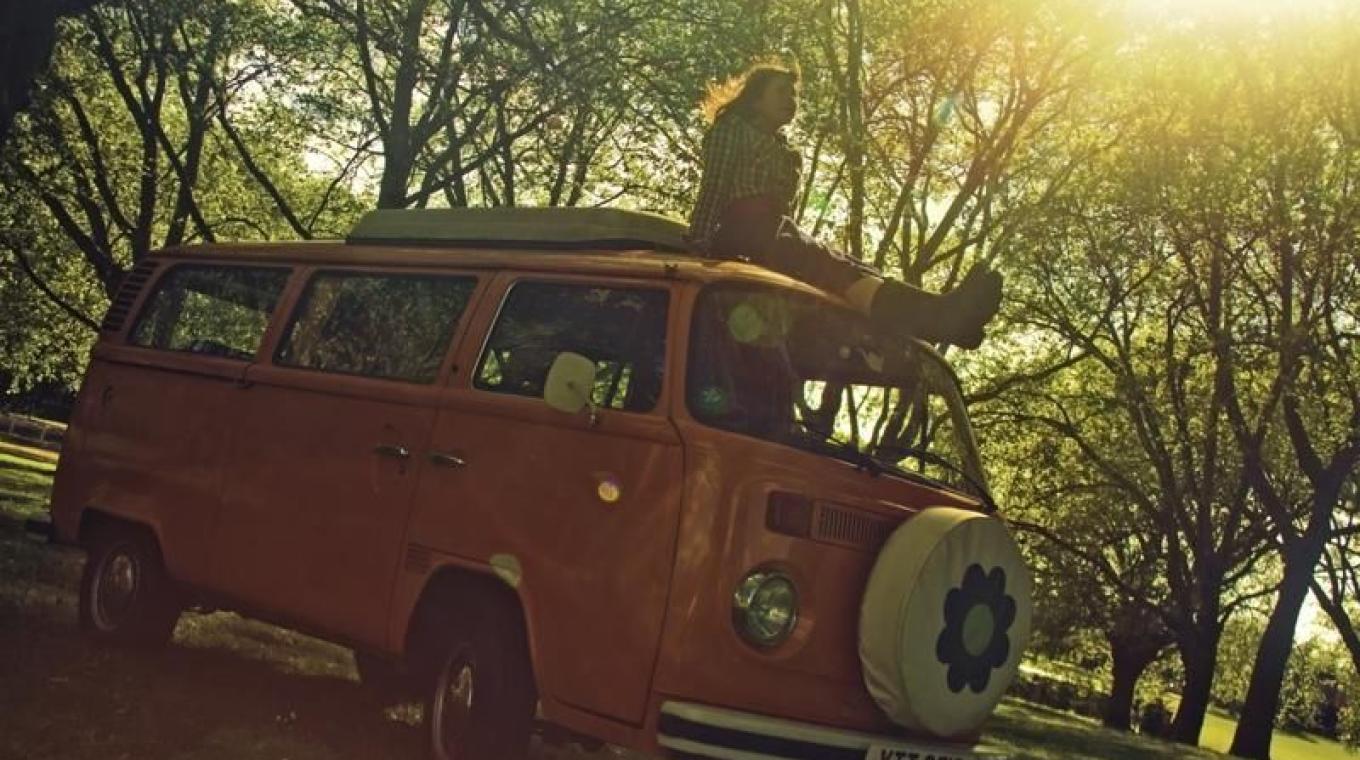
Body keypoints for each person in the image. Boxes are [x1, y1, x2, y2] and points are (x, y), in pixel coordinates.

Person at [687, 61, 1003, 349]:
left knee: (852, 268)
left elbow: (785, 212)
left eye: (794, 94)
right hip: (746, 235)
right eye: (781, 92)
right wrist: (698, 246)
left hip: (779, 234)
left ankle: (942, 317)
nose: (791, 100)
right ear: (756, 99)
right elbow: (714, 188)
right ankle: (943, 318)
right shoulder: (732, 131)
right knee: (835, 271)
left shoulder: (785, 151)